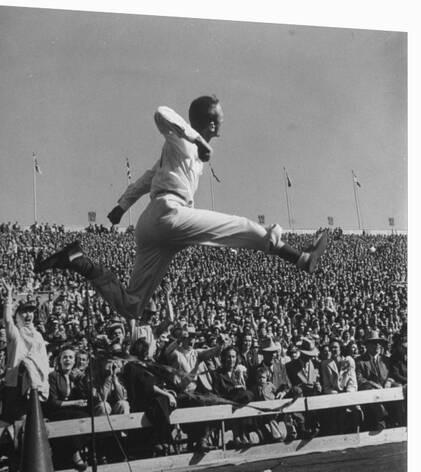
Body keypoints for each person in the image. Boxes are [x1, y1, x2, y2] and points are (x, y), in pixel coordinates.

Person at [35, 95, 328, 320]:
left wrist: (122, 205)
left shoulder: (182, 154)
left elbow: (146, 179)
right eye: (220, 118)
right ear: (210, 124)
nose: (223, 123)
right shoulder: (183, 143)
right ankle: (302, 259)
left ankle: (78, 261)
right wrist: (197, 140)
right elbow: (161, 113)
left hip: (152, 225)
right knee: (243, 226)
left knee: (133, 306)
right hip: (169, 214)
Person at [0, 281, 50, 422]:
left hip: (35, 385)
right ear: (18, 315)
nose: (28, 315)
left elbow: (44, 360)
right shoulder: (15, 333)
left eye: (31, 312)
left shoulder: (38, 335)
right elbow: (7, 320)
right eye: (24, 312)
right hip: (16, 383)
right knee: (20, 422)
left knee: (35, 423)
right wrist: (9, 296)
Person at [43, 346, 90, 472]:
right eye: (65, 357)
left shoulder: (78, 376)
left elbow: (86, 398)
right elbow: (53, 402)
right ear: (60, 360)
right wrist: (74, 402)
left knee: (85, 419)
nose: (67, 360)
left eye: (70, 357)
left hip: (76, 410)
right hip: (59, 411)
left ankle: (74, 453)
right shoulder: (53, 376)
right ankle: (75, 454)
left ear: (75, 361)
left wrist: (80, 381)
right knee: (71, 419)